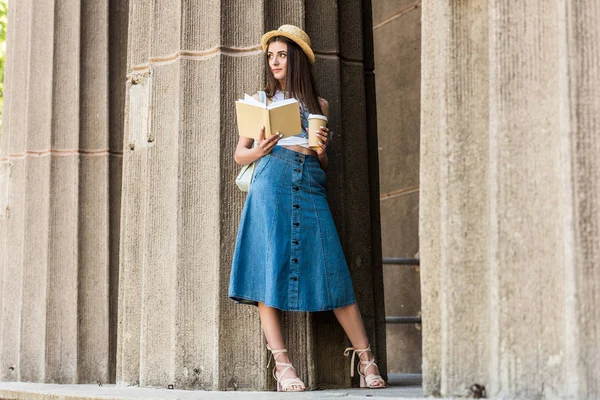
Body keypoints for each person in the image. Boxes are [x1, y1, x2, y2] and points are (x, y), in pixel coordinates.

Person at [228, 24, 386, 392]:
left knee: (334, 271)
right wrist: (261, 149)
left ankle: (366, 360)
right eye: (270, 56)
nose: (274, 62)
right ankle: (283, 366)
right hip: (271, 180)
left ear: (296, 58)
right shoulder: (262, 102)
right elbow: (240, 155)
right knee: (269, 268)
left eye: (281, 55)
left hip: (311, 183)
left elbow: (323, 164)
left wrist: (322, 150)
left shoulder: (321, 106)